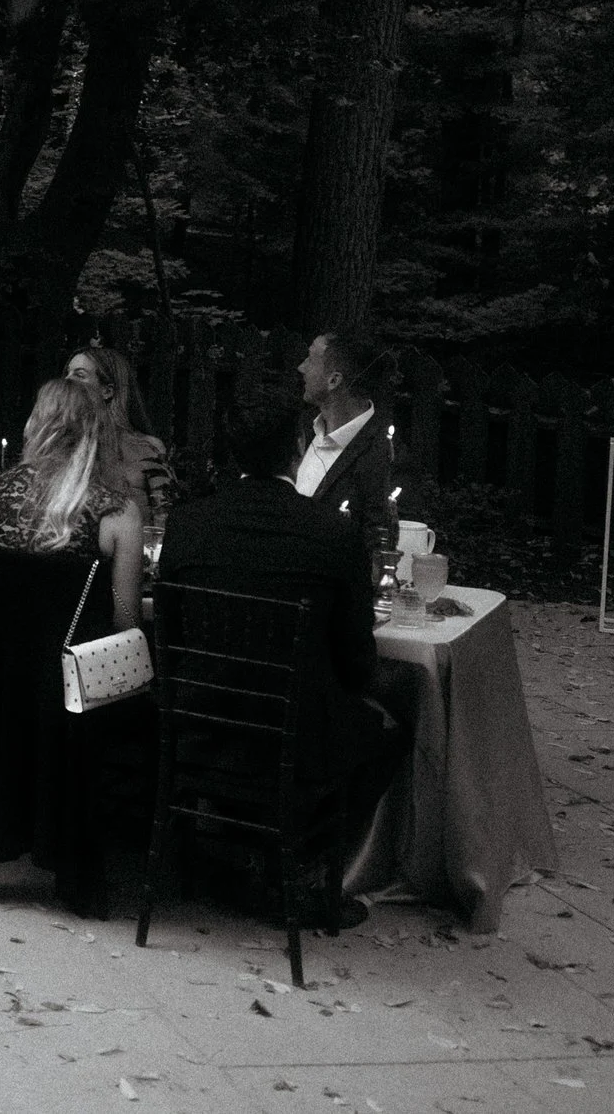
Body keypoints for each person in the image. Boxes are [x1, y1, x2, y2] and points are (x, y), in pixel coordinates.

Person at [159, 374, 410, 928]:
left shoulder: (188, 524)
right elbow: (356, 660)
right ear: (298, 448)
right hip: (293, 738)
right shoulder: (329, 533)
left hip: (199, 725)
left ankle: (236, 854)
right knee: (394, 723)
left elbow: (170, 634)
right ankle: (306, 868)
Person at [0, 377, 145, 916]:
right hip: (67, 698)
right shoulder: (116, 512)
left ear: (37, 425)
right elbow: (125, 624)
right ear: (96, 434)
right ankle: (78, 866)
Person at [294, 329, 397, 555]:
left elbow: (381, 544)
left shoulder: (384, 454)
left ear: (334, 380)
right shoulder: (298, 431)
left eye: (310, 360)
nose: (301, 367)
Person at [65, 344, 173, 520]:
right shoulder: (58, 442)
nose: (67, 380)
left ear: (107, 391)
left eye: (79, 375)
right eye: (67, 373)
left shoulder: (147, 448)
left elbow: (161, 519)